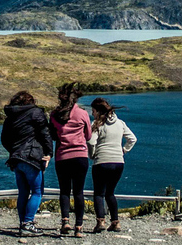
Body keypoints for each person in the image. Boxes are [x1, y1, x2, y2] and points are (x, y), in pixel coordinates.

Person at [1, 90, 53, 236]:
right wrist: (49, 153)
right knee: (37, 191)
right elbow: (45, 134)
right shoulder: (35, 113)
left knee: (23, 192)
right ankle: (28, 223)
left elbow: (4, 139)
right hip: (31, 157)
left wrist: (14, 150)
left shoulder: (10, 117)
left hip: (16, 159)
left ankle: (23, 223)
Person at [87, 97, 136, 233]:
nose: (92, 113)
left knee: (98, 193)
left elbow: (91, 142)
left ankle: (100, 222)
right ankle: (115, 222)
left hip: (102, 162)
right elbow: (132, 138)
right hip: (118, 162)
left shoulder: (97, 124)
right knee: (110, 193)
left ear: (98, 111)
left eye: (93, 111)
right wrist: (124, 150)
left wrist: (92, 155)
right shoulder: (120, 123)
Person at [49, 83, 92, 238]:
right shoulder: (82, 114)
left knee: (65, 191)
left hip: (62, 157)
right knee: (79, 192)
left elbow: (53, 135)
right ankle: (79, 227)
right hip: (80, 156)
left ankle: (65, 221)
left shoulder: (54, 115)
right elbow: (88, 136)